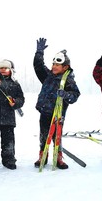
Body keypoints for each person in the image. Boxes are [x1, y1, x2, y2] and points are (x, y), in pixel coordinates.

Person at [33, 38, 80, 169]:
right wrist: (39, 52)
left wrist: (65, 95)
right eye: (53, 64)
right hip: (45, 111)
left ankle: (58, 157)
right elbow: (38, 65)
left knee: (57, 135)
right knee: (43, 135)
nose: (54, 66)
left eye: (57, 65)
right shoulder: (48, 76)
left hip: (58, 113)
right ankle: (42, 155)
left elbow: (75, 95)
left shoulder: (69, 81)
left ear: (65, 67)